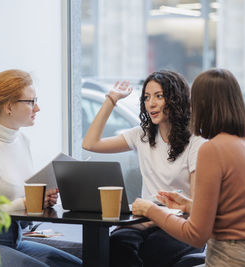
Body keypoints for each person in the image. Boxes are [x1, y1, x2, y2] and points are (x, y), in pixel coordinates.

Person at [132, 68, 245, 267]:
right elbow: (237, 214)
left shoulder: (211, 149)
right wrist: (188, 205)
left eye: (192, 101)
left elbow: (195, 235)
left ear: (202, 105)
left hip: (235, 256)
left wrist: (151, 209)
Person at [0, 69, 82, 267]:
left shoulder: (22, 141)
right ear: (9, 107)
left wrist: (41, 201)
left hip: (13, 242)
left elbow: (20, 207)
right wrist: (24, 202)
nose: (37, 108)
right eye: (31, 102)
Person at [82, 70, 205, 266]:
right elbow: (90, 144)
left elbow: (196, 206)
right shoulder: (143, 135)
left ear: (176, 99)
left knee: (152, 252)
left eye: (159, 96)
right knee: (115, 244)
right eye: (147, 97)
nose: (151, 104)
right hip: (143, 221)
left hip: (179, 224)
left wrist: (156, 215)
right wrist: (112, 99)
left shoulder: (196, 142)